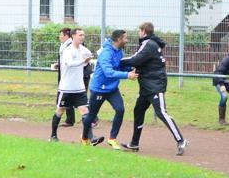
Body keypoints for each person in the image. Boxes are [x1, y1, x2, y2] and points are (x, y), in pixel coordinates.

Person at [120, 22, 189, 155]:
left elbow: (135, 59)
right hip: (147, 86)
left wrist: (118, 61)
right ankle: (134, 143)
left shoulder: (149, 44)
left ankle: (181, 140)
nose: (138, 33)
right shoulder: (150, 43)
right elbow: (141, 61)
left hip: (155, 85)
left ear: (144, 31)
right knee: (138, 111)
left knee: (161, 112)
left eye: (139, 31)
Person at [81, 30, 137, 148]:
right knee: (91, 115)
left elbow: (118, 66)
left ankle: (112, 139)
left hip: (112, 89)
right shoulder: (106, 53)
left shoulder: (119, 51)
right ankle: (84, 138)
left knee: (120, 110)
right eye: (125, 38)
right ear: (118, 40)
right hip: (99, 89)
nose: (127, 40)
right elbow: (108, 72)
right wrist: (127, 75)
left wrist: (131, 70)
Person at [49, 28, 94, 143]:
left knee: (85, 111)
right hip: (66, 87)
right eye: (80, 35)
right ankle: (53, 135)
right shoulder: (68, 50)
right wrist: (83, 61)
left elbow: (90, 55)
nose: (82, 37)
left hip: (79, 88)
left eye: (83, 35)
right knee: (60, 110)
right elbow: (69, 63)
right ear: (73, 36)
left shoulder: (83, 50)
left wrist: (90, 60)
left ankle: (89, 137)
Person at [53, 28, 78, 127]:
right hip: (65, 75)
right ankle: (70, 120)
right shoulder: (64, 46)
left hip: (72, 76)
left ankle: (92, 118)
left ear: (66, 36)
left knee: (75, 97)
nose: (59, 37)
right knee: (70, 97)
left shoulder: (71, 46)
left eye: (61, 35)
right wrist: (59, 64)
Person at [212, 53, 229, 126]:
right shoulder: (226, 60)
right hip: (219, 81)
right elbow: (219, 72)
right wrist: (222, 85)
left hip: (227, 82)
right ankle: (221, 119)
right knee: (224, 97)